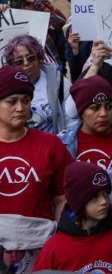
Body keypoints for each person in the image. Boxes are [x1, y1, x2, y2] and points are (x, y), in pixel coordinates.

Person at [33, 162, 112, 274]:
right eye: (95, 197)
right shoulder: (54, 249)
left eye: (106, 194)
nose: (104, 201)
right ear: (77, 201)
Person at [0, 66, 73, 221]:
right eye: (12, 102)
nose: (20, 108)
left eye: (26, 101)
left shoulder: (51, 144)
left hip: (42, 234)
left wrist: (59, 231)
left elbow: (63, 199)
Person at [3, 34, 68, 134]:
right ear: (12, 64)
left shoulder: (58, 81)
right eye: (19, 61)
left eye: (31, 58)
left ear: (39, 58)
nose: (26, 63)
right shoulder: (5, 87)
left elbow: (71, 118)